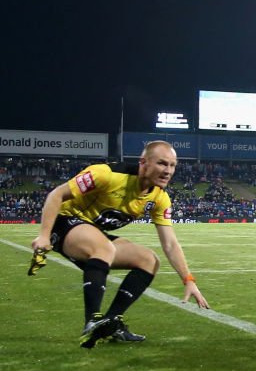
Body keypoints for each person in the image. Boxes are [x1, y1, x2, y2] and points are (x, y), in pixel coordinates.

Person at [31, 140, 210, 348]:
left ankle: (111, 322)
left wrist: (188, 279)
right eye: (162, 163)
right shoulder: (106, 174)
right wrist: (44, 235)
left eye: (172, 165)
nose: (168, 171)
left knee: (149, 260)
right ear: (143, 162)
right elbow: (56, 195)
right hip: (63, 221)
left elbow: (170, 243)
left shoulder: (159, 198)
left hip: (93, 232)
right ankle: (92, 322)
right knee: (104, 247)